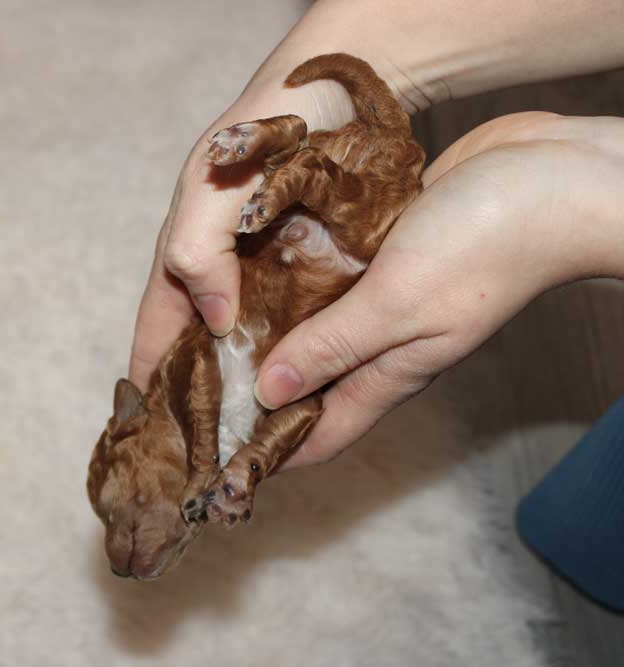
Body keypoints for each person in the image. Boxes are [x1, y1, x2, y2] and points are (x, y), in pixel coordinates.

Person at [127, 0, 624, 609]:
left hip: (317, 235)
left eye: (125, 520)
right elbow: (299, 410)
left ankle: (296, 160)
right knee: (584, 541)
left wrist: (585, 205)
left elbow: (211, 379)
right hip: (316, 261)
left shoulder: (178, 400)